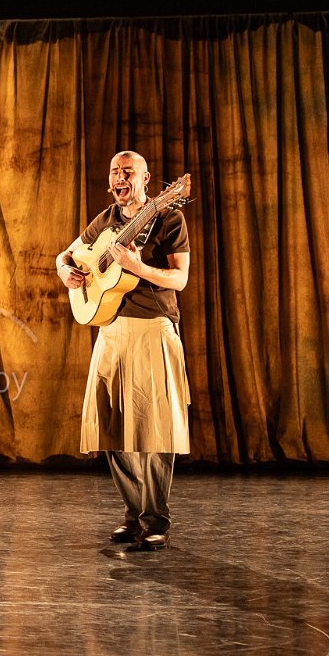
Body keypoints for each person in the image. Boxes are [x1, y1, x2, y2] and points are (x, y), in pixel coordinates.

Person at [56, 150, 191, 552]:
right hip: (111, 330)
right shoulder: (106, 219)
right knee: (111, 427)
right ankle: (134, 514)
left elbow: (180, 279)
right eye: (115, 171)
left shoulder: (168, 218)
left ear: (146, 179)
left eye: (128, 171)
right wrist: (65, 270)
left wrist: (139, 268)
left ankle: (156, 519)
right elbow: (67, 254)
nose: (120, 177)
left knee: (155, 431)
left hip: (153, 328)